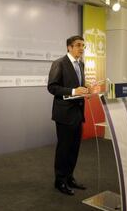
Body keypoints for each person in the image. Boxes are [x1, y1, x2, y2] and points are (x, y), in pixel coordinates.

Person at [47, 35, 89, 196]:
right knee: (64, 149)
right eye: (78, 45)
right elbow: (52, 87)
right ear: (69, 47)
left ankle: (70, 177)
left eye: (83, 46)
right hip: (64, 114)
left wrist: (86, 88)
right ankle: (60, 181)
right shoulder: (59, 63)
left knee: (74, 148)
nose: (81, 48)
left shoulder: (81, 64)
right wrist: (73, 91)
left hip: (78, 112)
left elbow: (78, 86)